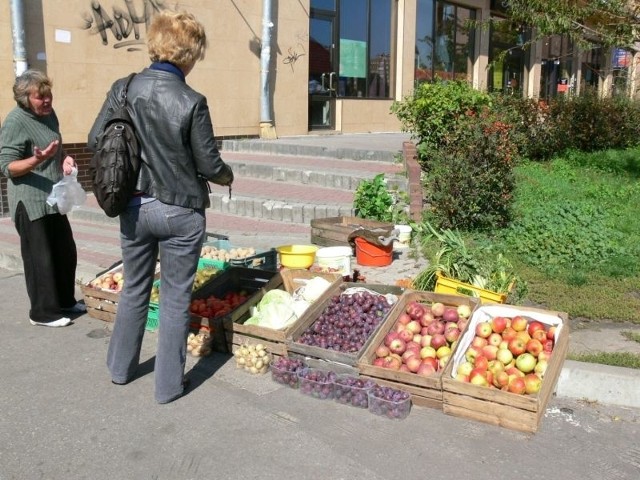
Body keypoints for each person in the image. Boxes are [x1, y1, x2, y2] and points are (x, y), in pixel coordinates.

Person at [88, 10, 234, 404]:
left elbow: (94, 138)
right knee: (173, 298)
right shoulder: (191, 100)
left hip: (133, 207)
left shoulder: (124, 87)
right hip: (180, 210)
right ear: (189, 53)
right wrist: (226, 175)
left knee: (134, 287)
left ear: (157, 45)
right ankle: (168, 386)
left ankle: (120, 369)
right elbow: (208, 163)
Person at [0, 70, 85, 328]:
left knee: (65, 252)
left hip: (52, 195)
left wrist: (64, 158)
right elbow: (7, 166)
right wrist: (37, 159)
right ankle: (42, 313)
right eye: (41, 97)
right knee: (40, 258)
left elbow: (56, 147)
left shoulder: (49, 115)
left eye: (49, 95)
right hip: (29, 200)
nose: (47, 101)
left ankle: (65, 301)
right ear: (26, 98)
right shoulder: (15, 121)